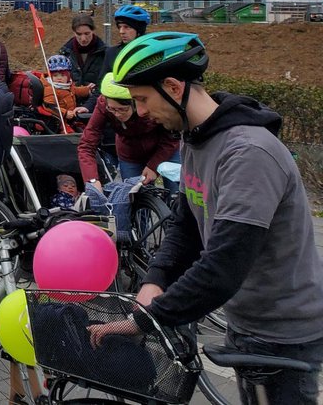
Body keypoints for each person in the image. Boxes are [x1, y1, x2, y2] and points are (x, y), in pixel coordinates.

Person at [97, 32, 323, 404]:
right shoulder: (196, 138)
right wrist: (156, 279)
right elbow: (186, 226)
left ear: (173, 86)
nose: (139, 113)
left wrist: (144, 321)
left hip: (283, 337)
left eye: (142, 99)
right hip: (247, 322)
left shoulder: (248, 153)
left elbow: (223, 265)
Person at [78, 71, 180, 193]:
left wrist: (153, 166)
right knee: (133, 195)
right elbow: (87, 144)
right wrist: (92, 180)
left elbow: (171, 137)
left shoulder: (150, 103)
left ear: (135, 103)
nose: (117, 114)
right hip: (130, 154)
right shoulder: (103, 105)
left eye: (122, 109)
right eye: (112, 109)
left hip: (165, 149)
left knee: (176, 192)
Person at [35, 53, 95, 130]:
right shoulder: (50, 88)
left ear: (68, 75)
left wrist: (87, 89)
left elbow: (76, 90)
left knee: (86, 129)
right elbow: (49, 106)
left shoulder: (68, 85)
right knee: (71, 136)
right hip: (59, 121)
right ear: (51, 76)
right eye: (55, 75)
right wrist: (65, 113)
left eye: (62, 75)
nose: (59, 78)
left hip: (72, 118)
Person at [58, 13, 109, 89]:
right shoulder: (65, 53)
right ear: (74, 33)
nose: (83, 39)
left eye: (87, 33)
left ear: (93, 31)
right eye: (79, 34)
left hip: (96, 97)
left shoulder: (105, 53)